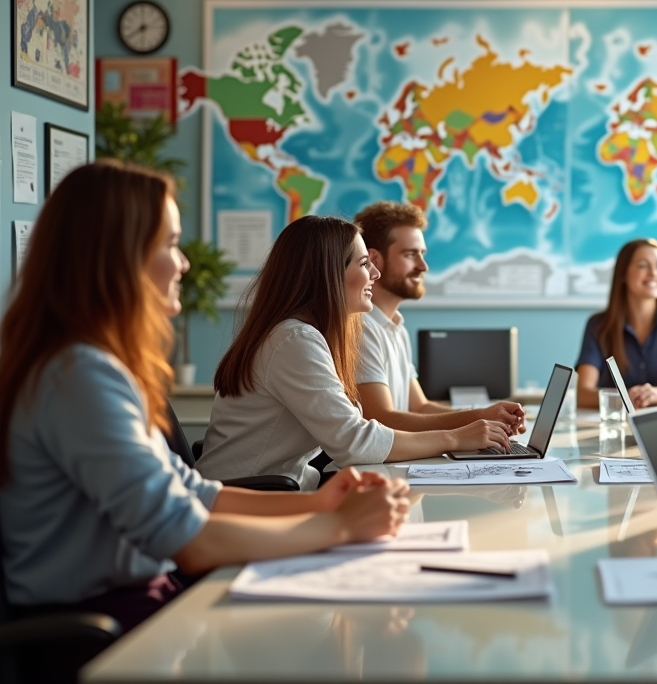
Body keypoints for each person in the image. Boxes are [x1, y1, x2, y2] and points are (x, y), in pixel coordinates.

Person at [0, 161, 409, 643]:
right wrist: (339, 528)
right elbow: (189, 540)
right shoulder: (76, 376)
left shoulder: (90, 365)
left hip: (141, 603)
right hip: (111, 629)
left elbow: (193, 494)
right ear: (118, 256)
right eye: (171, 244)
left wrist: (321, 506)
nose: (184, 263)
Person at [196, 215, 513, 491]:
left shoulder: (303, 335)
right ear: (328, 274)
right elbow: (354, 442)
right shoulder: (293, 340)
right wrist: (455, 439)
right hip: (251, 500)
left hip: (279, 491)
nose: (374, 274)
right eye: (364, 264)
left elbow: (353, 429)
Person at [352, 201, 525, 433]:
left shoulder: (395, 327)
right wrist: (479, 418)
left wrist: (488, 417)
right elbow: (382, 420)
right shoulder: (362, 327)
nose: (423, 266)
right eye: (410, 254)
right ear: (374, 260)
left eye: (422, 254)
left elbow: (420, 407)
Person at [575, 238, 657, 410]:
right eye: (643, 266)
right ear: (623, 274)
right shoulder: (598, 325)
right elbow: (583, 394)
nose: (653, 273)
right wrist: (628, 398)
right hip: (614, 424)